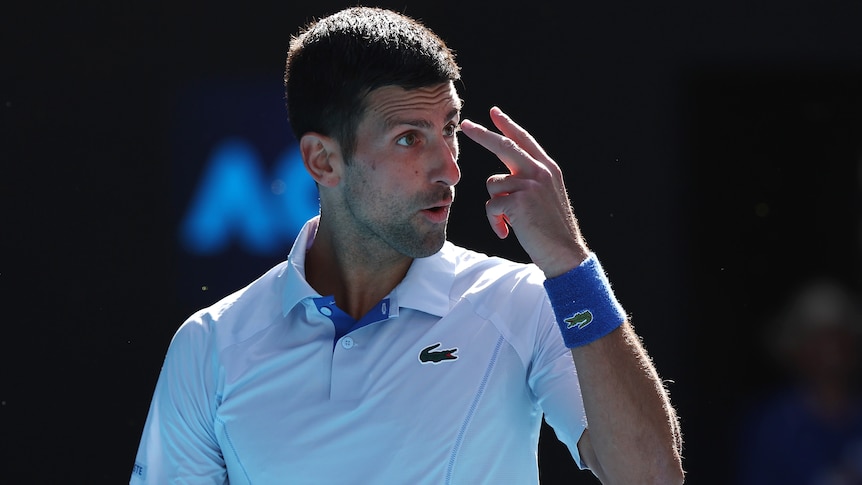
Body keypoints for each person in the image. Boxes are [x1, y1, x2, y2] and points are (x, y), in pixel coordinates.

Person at [131, 6, 684, 484]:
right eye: (408, 138)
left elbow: (651, 477)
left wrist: (570, 265)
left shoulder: (527, 300)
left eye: (449, 128)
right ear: (323, 161)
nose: (449, 168)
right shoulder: (208, 347)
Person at [735, 277, 862, 484]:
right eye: (818, 338)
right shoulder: (773, 426)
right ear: (796, 348)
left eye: (839, 336)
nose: (831, 349)